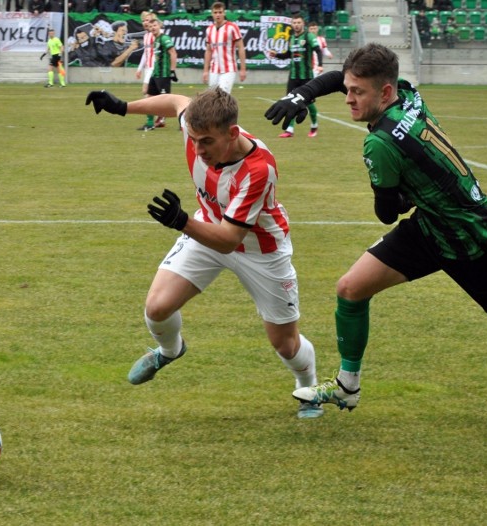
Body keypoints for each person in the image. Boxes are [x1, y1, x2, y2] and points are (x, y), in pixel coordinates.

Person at [262, 43, 487, 424]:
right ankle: (348, 385)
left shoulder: (379, 142)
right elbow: (338, 79)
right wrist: (302, 94)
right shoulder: (408, 93)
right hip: (431, 226)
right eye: (348, 90)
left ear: (384, 92)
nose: (348, 98)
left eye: (357, 93)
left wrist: (398, 195)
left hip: (474, 236)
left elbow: (385, 213)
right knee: (351, 288)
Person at [84, 87, 324, 419]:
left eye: (206, 142)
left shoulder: (258, 169)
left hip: (260, 250)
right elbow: (176, 102)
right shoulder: (199, 127)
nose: (198, 149)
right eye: (193, 139)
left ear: (233, 133)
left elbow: (229, 239)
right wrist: (122, 107)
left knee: (285, 344)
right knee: (157, 308)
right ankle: (169, 350)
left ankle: (308, 387)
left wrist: (180, 221)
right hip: (207, 229)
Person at [267, 13, 322, 138]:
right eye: (294, 23)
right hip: (293, 77)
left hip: (306, 76)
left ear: (303, 24)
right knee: (290, 101)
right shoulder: (291, 38)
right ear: (292, 24)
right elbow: (288, 55)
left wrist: (320, 65)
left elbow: (318, 50)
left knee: (309, 103)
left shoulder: (309, 36)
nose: (296, 25)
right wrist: (276, 55)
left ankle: (314, 125)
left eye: (299, 22)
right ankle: (290, 130)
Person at [136, 18, 177, 131]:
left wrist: (172, 70)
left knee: (167, 102)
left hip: (164, 75)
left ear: (159, 26)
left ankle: (184, 121)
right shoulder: (156, 40)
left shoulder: (164, 38)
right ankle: (150, 124)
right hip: (156, 74)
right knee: (149, 98)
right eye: (150, 26)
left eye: (154, 25)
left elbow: (173, 53)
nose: (152, 28)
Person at [203, 2, 247, 94]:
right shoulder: (209, 30)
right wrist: (205, 70)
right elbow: (208, 51)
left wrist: (243, 69)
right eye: (215, 12)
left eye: (220, 12)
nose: (218, 15)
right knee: (212, 97)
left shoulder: (232, 27)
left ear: (224, 13)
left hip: (229, 68)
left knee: (222, 95)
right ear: (212, 14)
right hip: (214, 69)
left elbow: (241, 48)